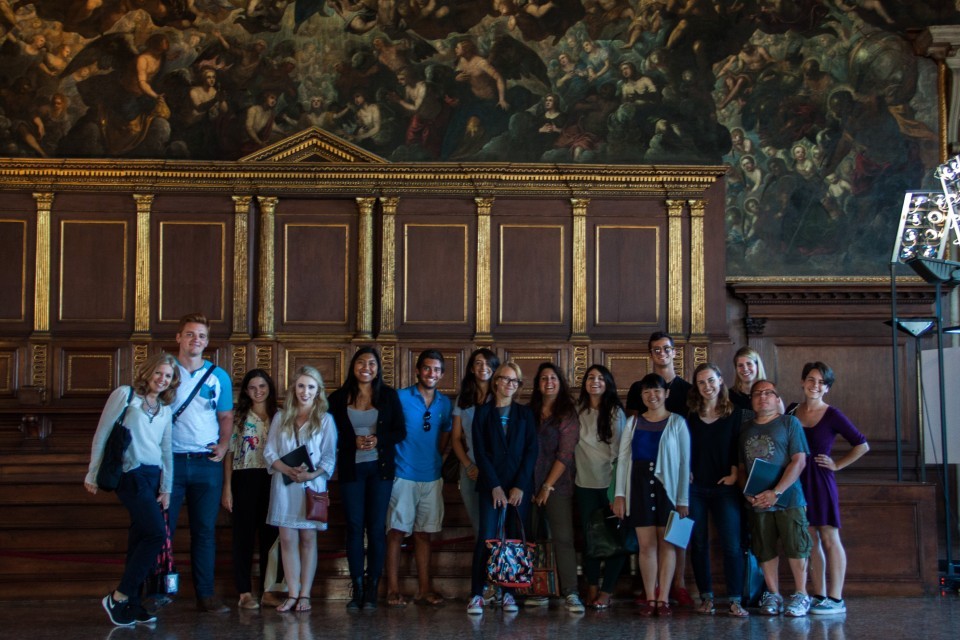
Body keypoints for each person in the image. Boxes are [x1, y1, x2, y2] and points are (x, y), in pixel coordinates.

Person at [85, 352, 181, 626]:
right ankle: (120, 596)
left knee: (140, 538)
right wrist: (92, 472)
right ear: (149, 372)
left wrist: (167, 488)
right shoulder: (126, 396)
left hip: (153, 477)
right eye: (159, 373)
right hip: (130, 473)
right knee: (155, 534)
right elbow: (102, 433)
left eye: (168, 376)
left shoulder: (164, 409)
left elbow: (166, 451)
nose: (163, 380)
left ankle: (133, 604)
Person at [328, 347, 406, 610]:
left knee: (375, 528)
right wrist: (353, 442)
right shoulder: (338, 398)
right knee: (354, 526)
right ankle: (357, 586)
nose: (366, 367)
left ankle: (372, 586)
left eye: (371, 363)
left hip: (380, 470)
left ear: (377, 368)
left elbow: (400, 432)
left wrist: (378, 440)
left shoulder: (389, 396)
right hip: (351, 470)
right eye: (361, 362)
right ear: (353, 366)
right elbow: (331, 433)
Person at [788, 362, 869, 615]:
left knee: (829, 537)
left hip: (821, 480)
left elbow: (862, 444)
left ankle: (836, 597)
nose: (815, 385)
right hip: (797, 479)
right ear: (802, 382)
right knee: (809, 540)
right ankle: (819, 593)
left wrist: (837, 465)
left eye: (822, 382)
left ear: (827, 388)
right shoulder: (791, 410)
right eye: (811, 380)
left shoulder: (833, 414)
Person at [168, 313, 234, 613]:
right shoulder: (166, 371)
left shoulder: (218, 376)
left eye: (202, 336)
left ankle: (205, 595)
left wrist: (223, 445)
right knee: (160, 530)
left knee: (205, 532)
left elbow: (226, 417)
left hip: (206, 463)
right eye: (191, 334)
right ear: (179, 338)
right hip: (170, 462)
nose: (196, 340)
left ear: (207, 343)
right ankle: (156, 592)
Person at [625, 332, 693, 607]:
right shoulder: (637, 388)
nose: (661, 353)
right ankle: (652, 589)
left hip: (677, 472)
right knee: (649, 540)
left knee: (676, 534)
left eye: (666, 348)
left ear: (674, 352)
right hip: (644, 473)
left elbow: (690, 435)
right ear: (650, 354)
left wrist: (685, 474)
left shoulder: (687, 390)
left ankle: (679, 584)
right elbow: (632, 433)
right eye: (655, 349)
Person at [613, 373, 690, 617]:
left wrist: (682, 500)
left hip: (668, 489)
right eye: (646, 392)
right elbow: (624, 459)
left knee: (668, 544)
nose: (652, 396)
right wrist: (620, 495)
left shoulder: (677, 422)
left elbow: (684, 463)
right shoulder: (633, 423)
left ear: (666, 393)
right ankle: (650, 597)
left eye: (656, 390)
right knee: (646, 546)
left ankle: (664, 598)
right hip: (639, 486)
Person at [264, 366, 338, 613]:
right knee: (287, 538)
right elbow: (269, 451)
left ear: (318, 391)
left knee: (307, 538)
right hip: (285, 484)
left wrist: (312, 473)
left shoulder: (325, 419)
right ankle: (292, 593)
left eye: (311, 387)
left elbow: (329, 456)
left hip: (311, 485)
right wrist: (286, 470)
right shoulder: (281, 416)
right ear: (294, 389)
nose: (305, 391)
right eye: (301, 386)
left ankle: (305, 594)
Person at [467, 362, 538, 615]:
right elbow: (481, 453)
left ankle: (508, 592)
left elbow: (531, 451)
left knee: (514, 540)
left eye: (515, 381)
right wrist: (495, 486)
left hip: (519, 488)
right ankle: (477, 593)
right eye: (506, 379)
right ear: (496, 381)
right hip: (491, 486)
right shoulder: (483, 413)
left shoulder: (525, 414)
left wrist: (519, 486)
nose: (510, 385)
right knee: (487, 538)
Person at [739, 379, 813, 618]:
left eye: (768, 393)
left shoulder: (789, 423)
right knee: (764, 548)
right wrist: (747, 493)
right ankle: (773, 594)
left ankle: (801, 594)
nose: (763, 397)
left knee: (796, 546)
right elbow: (741, 467)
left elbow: (799, 460)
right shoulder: (745, 428)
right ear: (751, 400)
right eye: (757, 393)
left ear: (777, 397)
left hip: (788, 498)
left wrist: (777, 491)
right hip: (758, 502)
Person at [385, 349, 453, 607]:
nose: (431, 373)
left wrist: (436, 459)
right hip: (402, 475)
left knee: (424, 534)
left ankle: (424, 589)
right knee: (396, 532)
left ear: (442, 374)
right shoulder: (400, 397)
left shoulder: (444, 404)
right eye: (427, 368)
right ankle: (393, 590)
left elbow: (445, 435)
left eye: (436, 370)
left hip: (432, 477)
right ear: (417, 370)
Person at [686, 363, 749, 617]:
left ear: (721, 381)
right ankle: (707, 598)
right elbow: (682, 446)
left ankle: (735, 600)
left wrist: (735, 472)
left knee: (732, 545)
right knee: (698, 543)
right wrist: (686, 469)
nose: (707, 386)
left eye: (711, 380)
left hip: (725, 488)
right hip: (696, 488)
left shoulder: (734, 414)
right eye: (701, 383)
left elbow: (740, 447)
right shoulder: (690, 414)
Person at [527, 363, 584, 612]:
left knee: (563, 539)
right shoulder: (529, 411)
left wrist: (546, 487)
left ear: (560, 382)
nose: (548, 382)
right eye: (543, 378)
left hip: (557, 485)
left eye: (553, 378)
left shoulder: (567, 413)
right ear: (537, 384)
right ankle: (538, 589)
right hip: (528, 484)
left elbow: (565, 454)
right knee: (532, 538)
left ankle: (570, 592)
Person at [222, 369, 279, 610]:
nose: (258, 392)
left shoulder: (279, 416)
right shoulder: (238, 417)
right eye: (253, 387)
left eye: (262, 387)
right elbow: (229, 453)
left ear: (269, 389)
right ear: (246, 391)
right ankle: (244, 592)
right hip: (244, 477)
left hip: (273, 479)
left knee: (271, 537)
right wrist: (227, 488)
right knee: (242, 537)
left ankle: (268, 590)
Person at [575, 364, 627, 609]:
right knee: (590, 538)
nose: (594, 381)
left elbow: (621, 454)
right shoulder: (578, 410)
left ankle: (607, 590)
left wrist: (616, 492)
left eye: (600, 378)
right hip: (584, 484)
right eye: (590, 377)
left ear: (607, 383)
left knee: (616, 539)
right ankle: (592, 585)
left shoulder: (615, 412)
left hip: (609, 485)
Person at [451, 348, 500, 535]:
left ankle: (496, 564)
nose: (483, 367)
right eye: (478, 363)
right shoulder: (463, 399)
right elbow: (456, 438)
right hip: (470, 468)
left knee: (495, 525)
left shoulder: (499, 398)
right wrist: (468, 465)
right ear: (471, 368)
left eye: (488, 363)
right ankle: (484, 563)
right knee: (479, 526)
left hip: (496, 468)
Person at [729, 346, 767, 410]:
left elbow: (780, 418)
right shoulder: (729, 396)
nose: (745, 369)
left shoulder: (769, 394)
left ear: (757, 366)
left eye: (749, 364)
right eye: (740, 365)